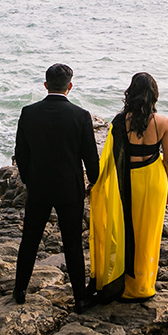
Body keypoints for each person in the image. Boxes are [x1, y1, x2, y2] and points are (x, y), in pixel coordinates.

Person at [13, 63, 99, 313]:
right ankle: (80, 298)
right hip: (69, 189)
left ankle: (19, 291)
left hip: (38, 186)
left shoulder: (28, 113)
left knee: (29, 239)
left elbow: (21, 153)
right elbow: (90, 158)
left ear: (45, 85)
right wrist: (93, 181)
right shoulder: (81, 116)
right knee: (72, 243)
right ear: (70, 87)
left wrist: (29, 178)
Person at [89, 72, 168, 303]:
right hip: (154, 180)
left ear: (131, 92)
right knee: (149, 232)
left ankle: (124, 283)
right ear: (154, 94)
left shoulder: (120, 121)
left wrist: (97, 184)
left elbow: (110, 157)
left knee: (128, 229)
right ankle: (144, 285)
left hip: (129, 180)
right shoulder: (163, 122)